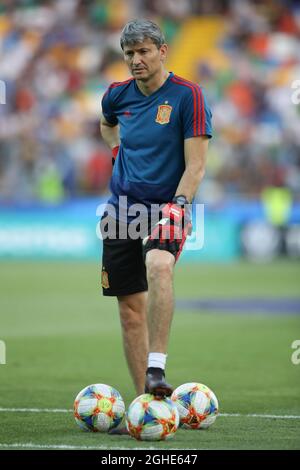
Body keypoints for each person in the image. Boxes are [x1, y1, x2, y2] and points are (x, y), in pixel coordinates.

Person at [100, 19, 212, 407]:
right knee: (130, 312)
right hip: (121, 209)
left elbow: (195, 165)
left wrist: (179, 207)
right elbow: (106, 124)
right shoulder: (116, 96)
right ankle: (144, 405)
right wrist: (117, 155)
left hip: (168, 205)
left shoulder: (188, 95)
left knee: (160, 265)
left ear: (162, 51)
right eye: (129, 53)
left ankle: (157, 367)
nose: (136, 60)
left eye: (143, 51)